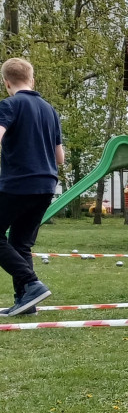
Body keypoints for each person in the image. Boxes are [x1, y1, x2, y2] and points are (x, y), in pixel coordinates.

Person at [0, 58, 63, 317]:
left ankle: (31, 283)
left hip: (19, 183)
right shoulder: (50, 110)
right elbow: (60, 157)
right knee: (20, 242)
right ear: (32, 79)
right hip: (46, 184)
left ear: (6, 83)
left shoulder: (9, 104)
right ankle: (26, 302)